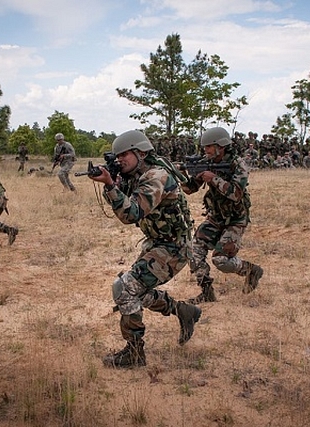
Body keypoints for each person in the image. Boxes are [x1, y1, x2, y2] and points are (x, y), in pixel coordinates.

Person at [87, 130, 202, 368]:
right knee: (135, 291)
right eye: (117, 156)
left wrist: (110, 185)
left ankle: (135, 354)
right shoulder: (138, 174)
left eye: (124, 155)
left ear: (141, 153)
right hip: (158, 243)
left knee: (125, 288)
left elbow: (131, 214)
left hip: (174, 246)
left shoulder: (155, 176)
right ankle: (183, 311)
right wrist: (115, 183)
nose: (120, 160)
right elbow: (123, 206)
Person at [181, 127, 263, 304]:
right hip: (215, 217)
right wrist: (180, 174)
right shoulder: (205, 162)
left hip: (235, 218)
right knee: (193, 253)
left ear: (221, 146)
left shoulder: (237, 165)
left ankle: (250, 270)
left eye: (208, 147)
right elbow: (190, 189)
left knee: (221, 260)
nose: (205, 151)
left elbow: (236, 194)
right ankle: (207, 292)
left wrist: (213, 179)